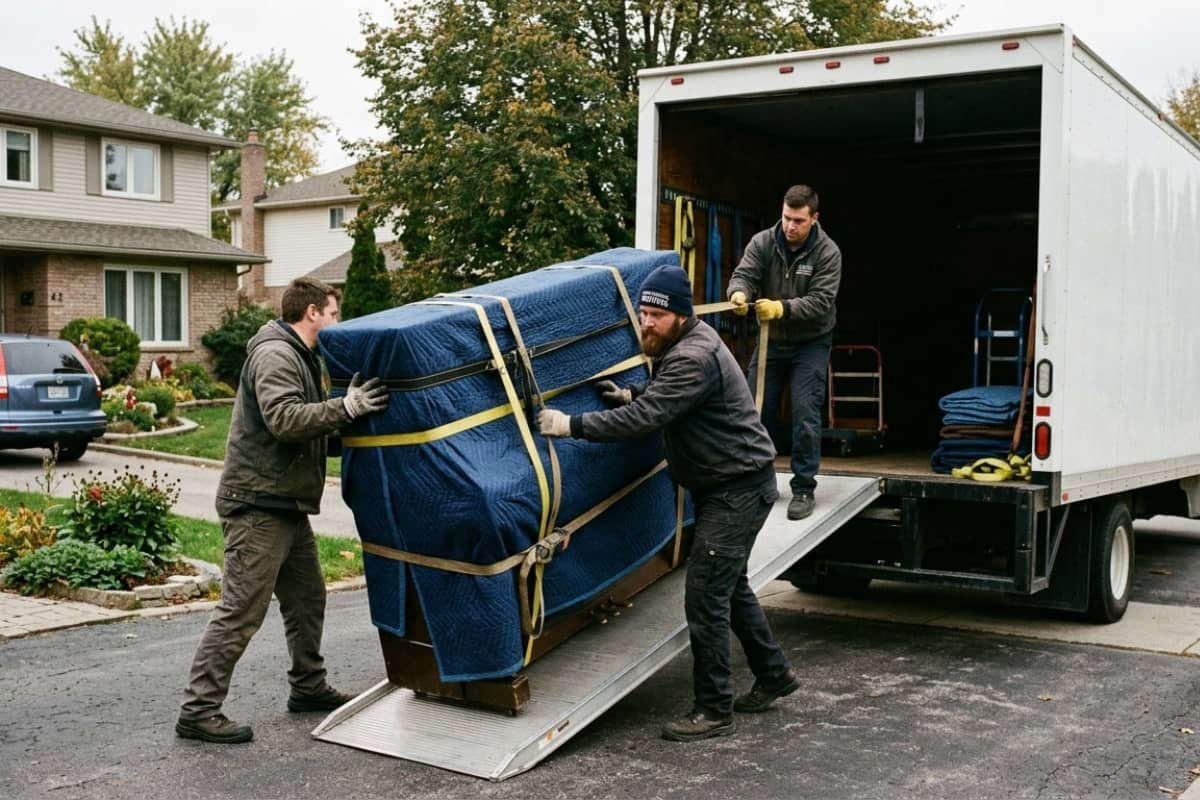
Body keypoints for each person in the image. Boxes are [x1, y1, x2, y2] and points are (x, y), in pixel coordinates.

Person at [537, 264, 799, 743]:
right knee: (729, 586)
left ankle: (714, 709)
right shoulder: (683, 344)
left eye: (656, 314)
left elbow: (649, 418)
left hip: (737, 490)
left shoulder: (692, 356)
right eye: (642, 311)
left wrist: (568, 425)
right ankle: (775, 673)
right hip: (726, 485)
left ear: (680, 314)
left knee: (705, 597)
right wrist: (631, 392)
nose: (646, 322)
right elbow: (669, 400)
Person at [176, 276, 390, 744]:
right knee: (241, 609)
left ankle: (308, 687)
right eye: (333, 312)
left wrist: (354, 419)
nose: (337, 321)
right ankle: (198, 709)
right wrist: (346, 408)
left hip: (285, 504)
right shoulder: (275, 354)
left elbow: (314, 432)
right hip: (257, 505)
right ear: (312, 312)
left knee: (308, 597)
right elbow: (286, 420)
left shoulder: (304, 357)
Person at [727, 184, 842, 521]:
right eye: (786, 218)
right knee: (752, 408)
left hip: (811, 341)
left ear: (814, 218)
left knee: (805, 412)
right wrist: (738, 293)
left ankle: (804, 488)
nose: (790, 226)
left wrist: (782, 308)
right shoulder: (764, 242)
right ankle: (756, 482)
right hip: (772, 340)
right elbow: (744, 274)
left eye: (798, 220)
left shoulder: (828, 252)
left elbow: (822, 301)